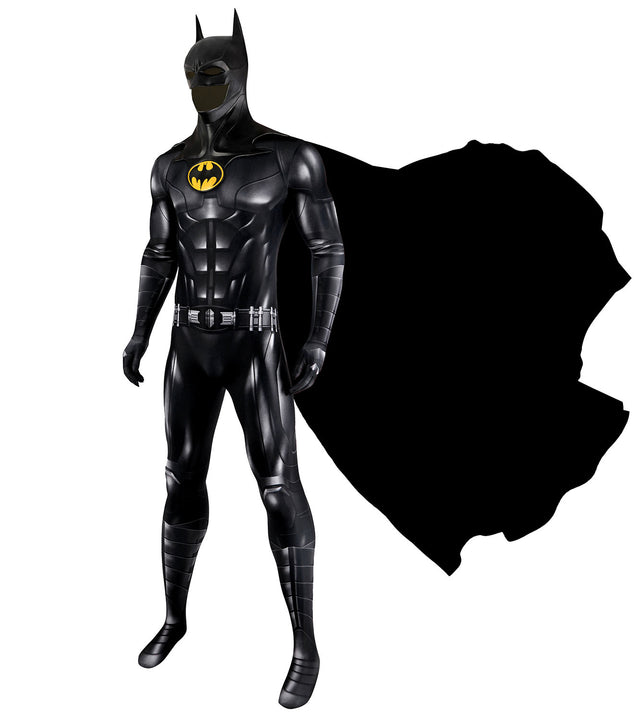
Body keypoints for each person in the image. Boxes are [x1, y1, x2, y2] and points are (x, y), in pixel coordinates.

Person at [122, 11, 343, 709]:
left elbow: (327, 251)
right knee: (180, 481)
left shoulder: (289, 159)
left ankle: (305, 644)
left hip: (256, 343)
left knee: (278, 486)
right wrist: (138, 332)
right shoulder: (168, 165)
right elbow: (160, 252)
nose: (199, 85)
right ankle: (174, 619)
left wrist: (317, 339)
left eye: (212, 73)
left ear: (241, 75)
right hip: (189, 344)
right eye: (191, 73)